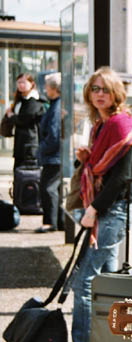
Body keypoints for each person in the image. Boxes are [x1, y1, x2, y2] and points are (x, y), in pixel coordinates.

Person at [68, 66, 132, 342]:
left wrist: (93, 209)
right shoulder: (101, 126)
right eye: (95, 88)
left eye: (105, 89)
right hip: (105, 210)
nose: (99, 94)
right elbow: (103, 170)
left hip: (111, 211)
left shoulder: (122, 125)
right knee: (107, 281)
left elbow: (120, 178)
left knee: (84, 282)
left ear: (116, 94)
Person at [35, 72, 62, 233]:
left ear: (53, 88)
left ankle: (50, 222)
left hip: (53, 157)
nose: (45, 89)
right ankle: (56, 220)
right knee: (52, 188)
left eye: (47, 86)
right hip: (54, 156)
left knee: (48, 188)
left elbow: (54, 135)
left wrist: (41, 149)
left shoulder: (56, 107)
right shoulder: (54, 104)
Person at [4, 73, 46, 169]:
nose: (20, 85)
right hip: (20, 142)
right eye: (18, 82)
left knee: (26, 174)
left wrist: (11, 116)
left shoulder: (34, 101)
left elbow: (24, 119)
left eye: (23, 82)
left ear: (32, 83)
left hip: (30, 143)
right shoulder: (20, 99)